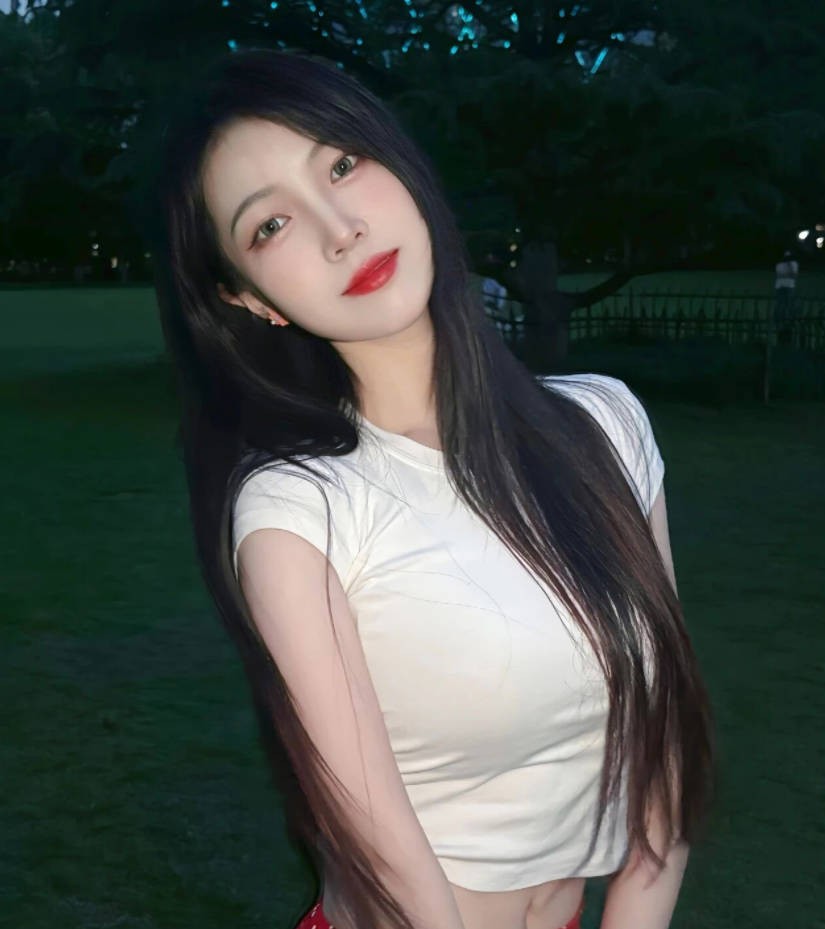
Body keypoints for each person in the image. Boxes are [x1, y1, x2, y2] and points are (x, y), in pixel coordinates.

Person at [148, 49, 713, 929]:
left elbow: (663, 741)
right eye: (271, 225)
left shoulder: (605, 426)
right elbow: (390, 863)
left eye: (342, 163)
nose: (339, 228)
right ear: (251, 300)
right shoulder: (301, 512)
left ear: (400, 162)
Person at [774, 250, 800, 345]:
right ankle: (779, 321)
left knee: (789, 303)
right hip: (781, 286)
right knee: (781, 304)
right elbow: (780, 274)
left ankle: (788, 321)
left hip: (788, 286)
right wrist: (788, 273)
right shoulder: (779, 264)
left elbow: (794, 275)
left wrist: (788, 271)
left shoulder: (794, 264)